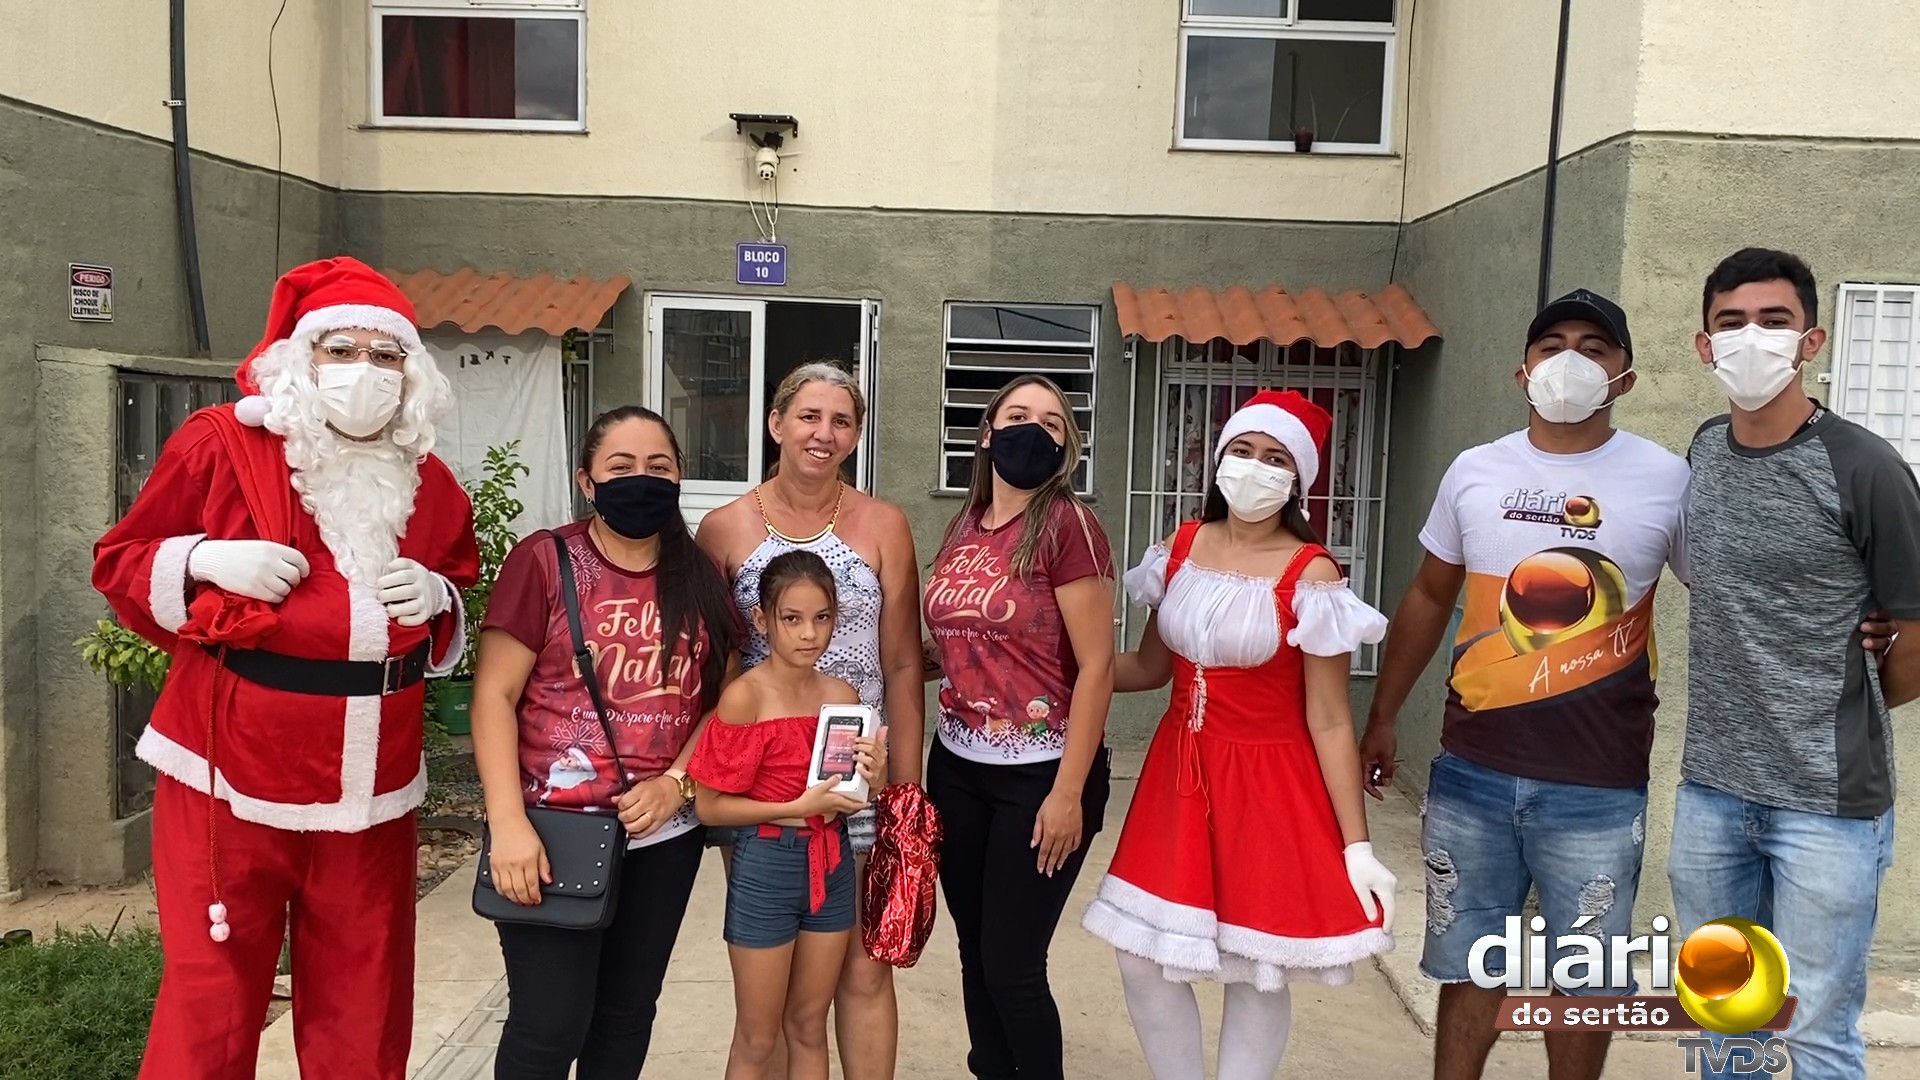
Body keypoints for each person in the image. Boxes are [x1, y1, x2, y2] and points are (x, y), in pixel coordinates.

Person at [91, 257, 480, 1079]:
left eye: (386, 355)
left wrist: (440, 598)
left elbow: (454, 590)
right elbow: (121, 561)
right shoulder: (222, 445)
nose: (366, 371)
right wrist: (202, 561)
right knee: (214, 1001)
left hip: (374, 783)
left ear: (411, 373)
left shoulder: (430, 481)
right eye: (343, 350)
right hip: (229, 772)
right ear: (302, 358)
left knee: (365, 1000)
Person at [1358, 290, 1688, 1080]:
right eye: (1552, 345)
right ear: (1523, 371)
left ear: (1626, 376)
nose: (1570, 361)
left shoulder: (1668, 478)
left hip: (1598, 783)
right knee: (1471, 965)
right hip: (1473, 771)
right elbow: (1429, 594)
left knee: (1587, 978)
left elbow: (1730, 594)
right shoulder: (1476, 470)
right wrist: (1383, 715)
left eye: (1594, 348)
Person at [1081, 390, 1397, 1080]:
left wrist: (1357, 844)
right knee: (1141, 955)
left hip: (1271, 782)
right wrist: (1052, 667)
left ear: (1299, 478)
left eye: (1276, 458)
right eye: (1244, 450)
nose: (1255, 467)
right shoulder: (1180, 548)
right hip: (1179, 774)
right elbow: (1148, 668)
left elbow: (1329, 717)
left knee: (1257, 962)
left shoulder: (1312, 572)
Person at [1669, 248, 1920, 1080]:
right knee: (1725, 1024)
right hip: (1711, 792)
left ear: (1812, 341)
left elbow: (1916, 631)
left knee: (1816, 1034)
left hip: (1829, 807)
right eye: (1731, 322)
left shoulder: (1865, 467)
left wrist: (1851, 696)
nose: (1751, 338)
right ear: (1704, 346)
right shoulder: (1705, 449)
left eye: (1774, 321)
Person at [472, 405, 744, 1079]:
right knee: (549, 1024)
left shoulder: (702, 575)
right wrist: (507, 823)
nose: (640, 479)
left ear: (679, 477)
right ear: (587, 482)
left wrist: (678, 782)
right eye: (620, 467)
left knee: (626, 1016)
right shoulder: (546, 561)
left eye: (658, 466)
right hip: (550, 831)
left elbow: (726, 701)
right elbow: (494, 697)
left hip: (664, 836)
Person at [694, 361, 923, 1079]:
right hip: (766, 787)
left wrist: (906, 789)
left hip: (860, 774)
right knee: (773, 993)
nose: (824, 434)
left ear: (855, 436)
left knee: (864, 967)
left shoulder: (884, 524)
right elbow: (714, 667)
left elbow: (903, 664)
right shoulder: (724, 528)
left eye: (842, 421)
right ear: (777, 424)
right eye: (809, 416)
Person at [921, 373, 1116, 1080]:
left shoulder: (1068, 526)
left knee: (1013, 966)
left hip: (1041, 774)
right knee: (976, 952)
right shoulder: (965, 524)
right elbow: (958, 644)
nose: (1033, 430)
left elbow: (1096, 667)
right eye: (1017, 416)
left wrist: (1067, 793)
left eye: (1052, 422)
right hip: (957, 766)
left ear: (1066, 447)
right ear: (986, 434)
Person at [688, 550, 889, 1080]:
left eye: (822, 618)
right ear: (762, 619)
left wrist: (876, 773)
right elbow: (709, 806)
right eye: (792, 618)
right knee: (758, 1037)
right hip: (766, 867)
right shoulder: (744, 697)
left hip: (832, 864)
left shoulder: (842, 696)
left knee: (808, 1025)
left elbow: (853, 792)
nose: (809, 634)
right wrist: (797, 808)